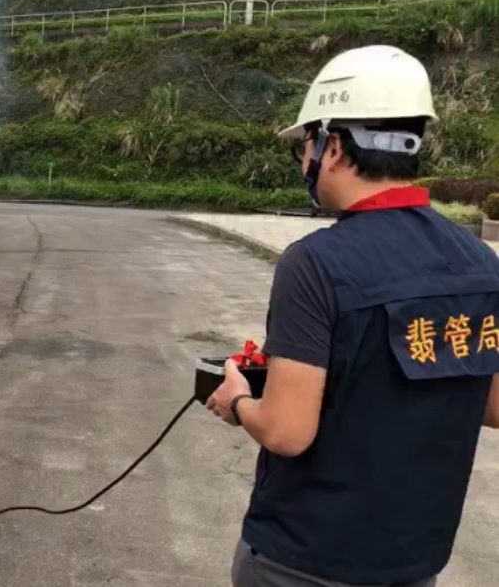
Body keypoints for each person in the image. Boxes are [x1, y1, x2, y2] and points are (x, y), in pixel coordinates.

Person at [206, 44, 499, 586]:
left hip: (303, 562)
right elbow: (493, 404)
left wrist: (239, 399)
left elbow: (288, 432)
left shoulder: (315, 264)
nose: (305, 161)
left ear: (333, 147)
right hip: (413, 561)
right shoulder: (480, 263)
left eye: (307, 146)